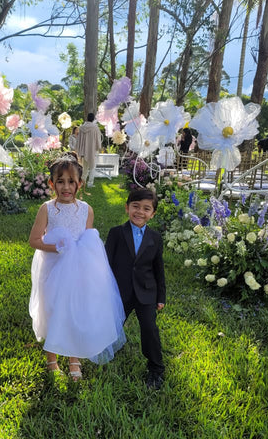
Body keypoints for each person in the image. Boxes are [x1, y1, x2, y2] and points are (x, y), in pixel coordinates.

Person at [28, 153, 126, 380]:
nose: (66, 187)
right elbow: (34, 241)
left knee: (76, 310)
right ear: (51, 183)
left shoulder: (86, 209)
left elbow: (87, 239)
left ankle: (74, 357)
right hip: (53, 267)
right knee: (53, 308)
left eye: (71, 182)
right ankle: (52, 357)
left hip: (80, 270)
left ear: (80, 184)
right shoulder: (47, 209)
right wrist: (57, 248)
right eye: (60, 182)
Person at [105, 188, 166, 390]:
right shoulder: (116, 233)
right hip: (120, 291)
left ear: (153, 213)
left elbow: (159, 269)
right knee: (113, 324)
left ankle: (156, 368)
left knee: (149, 328)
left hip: (146, 292)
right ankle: (107, 350)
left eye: (146, 208)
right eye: (135, 206)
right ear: (127, 208)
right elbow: (106, 264)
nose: (140, 212)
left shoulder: (155, 238)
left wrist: (161, 297)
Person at [76, 112, 101, 188]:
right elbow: (98, 138)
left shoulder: (82, 127)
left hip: (84, 151)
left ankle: (83, 182)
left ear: (87, 118)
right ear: (93, 119)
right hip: (92, 150)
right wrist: (98, 147)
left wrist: (79, 149)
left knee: (85, 167)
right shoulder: (95, 127)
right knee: (92, 167)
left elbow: (79, 140)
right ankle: (90, 183)